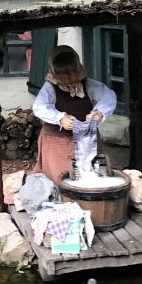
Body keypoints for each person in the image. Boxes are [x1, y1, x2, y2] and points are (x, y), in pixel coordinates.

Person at [31, 45, 117, 183]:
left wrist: (99, 112)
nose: (67, 77)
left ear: (78, 68)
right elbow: (39, 107)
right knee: (62, 177)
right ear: (53, 72)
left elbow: (108, 97)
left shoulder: (88, 85)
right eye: (61, 73)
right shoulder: (50, 87)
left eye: (70, 71)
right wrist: (60, 118)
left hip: (87, 140)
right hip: (57, 141)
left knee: (90, 174)